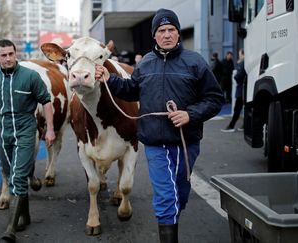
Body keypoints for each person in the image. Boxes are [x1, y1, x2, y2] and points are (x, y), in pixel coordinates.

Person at [95, 8, 224, 243]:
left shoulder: (195, 62)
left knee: (179, 194)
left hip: (187, 143)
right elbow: (132, 90)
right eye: (161, 30)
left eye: (171, 30)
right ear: (155, 36)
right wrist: (109, 79)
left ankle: (172, 212)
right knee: (166, 197)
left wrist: (190, 114)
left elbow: (215, 99)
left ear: (178, 34)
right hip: (155, 142)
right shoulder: (145, 63)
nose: (167, 34)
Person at [0, 39, 56, 242]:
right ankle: (25, 215)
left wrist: (49, 129)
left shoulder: (30, 76)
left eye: (10, 54)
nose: (8, 58)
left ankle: (10, 229)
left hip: (26, 131)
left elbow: (46, 101)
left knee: (17, 178)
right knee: (9, 173)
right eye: (3, 55)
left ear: (16, 54)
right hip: (3, 132)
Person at [221, 48, 246, 132]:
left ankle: (231, 126)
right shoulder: (241, 63)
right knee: (242, 108)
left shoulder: (243, 63)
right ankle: (243, 125)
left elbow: (237, 76)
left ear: (243, 54)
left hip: (241, 89)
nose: (239, 55)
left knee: (237, 109)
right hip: (242, 89)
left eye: (239, 54)